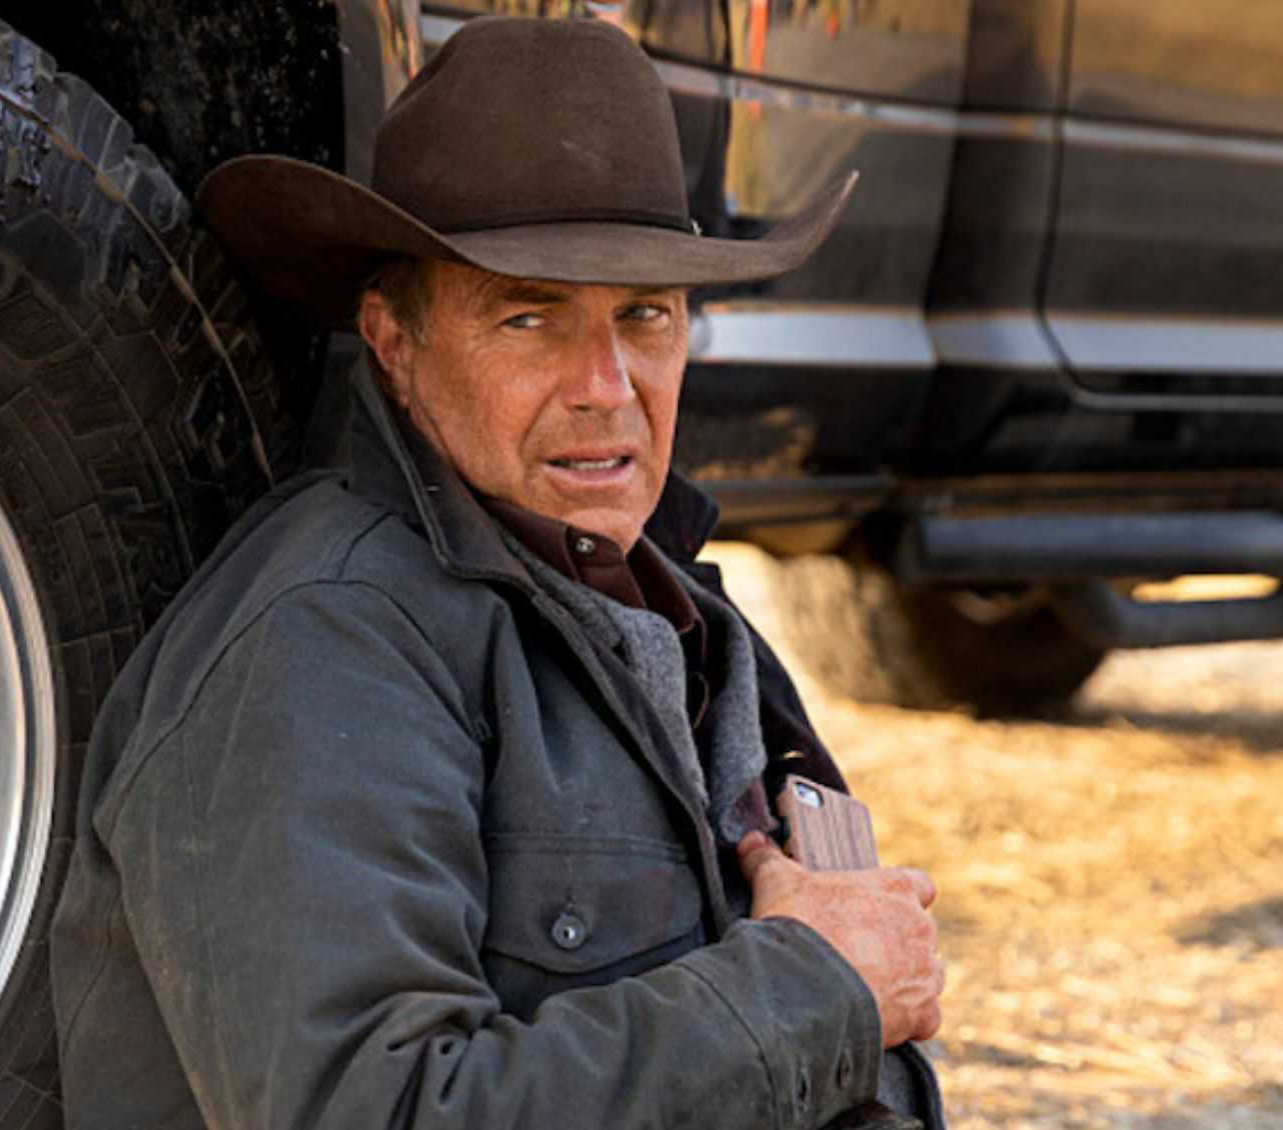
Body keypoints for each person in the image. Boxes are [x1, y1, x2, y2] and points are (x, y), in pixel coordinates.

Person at [47, 15, 947, 1129]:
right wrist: (817, 988)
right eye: (529, 315)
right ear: (395, 342)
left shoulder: (684, 614)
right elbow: (377, 1110)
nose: (605, 384)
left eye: (644, 316)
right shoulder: (324, 642)